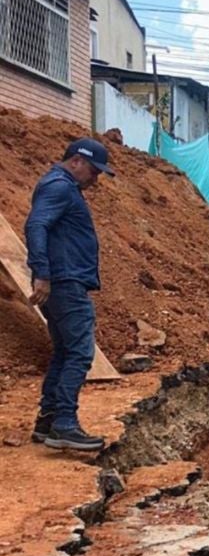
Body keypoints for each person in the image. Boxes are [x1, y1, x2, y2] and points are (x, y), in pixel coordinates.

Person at [25, 138, 116, 452]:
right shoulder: (60, 187)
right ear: (77, 161)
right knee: (79, 352)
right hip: (64, 283)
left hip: (62, 281)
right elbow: (36, 225)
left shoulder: (61, 186)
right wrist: (42, 273)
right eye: (94, 171)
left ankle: (48, 420)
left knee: (65, 351)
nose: (96, 178)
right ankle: (64, 423)